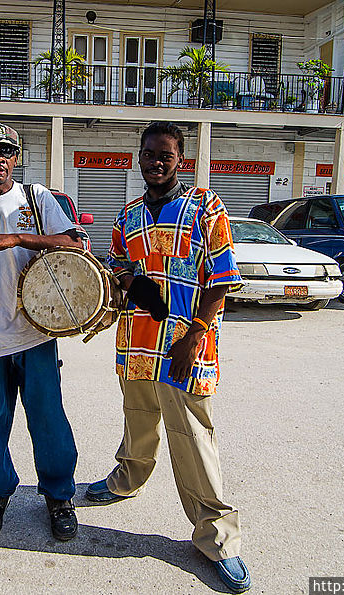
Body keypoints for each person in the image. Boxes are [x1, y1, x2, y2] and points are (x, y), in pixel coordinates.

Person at [85, 121, 251, 593]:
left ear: (181, 159)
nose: (156, 161)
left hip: (185, 348)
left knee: (193, 437)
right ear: (139, 157)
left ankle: (218, 538)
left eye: (166, 155)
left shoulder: (205, 207)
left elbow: (221, 278)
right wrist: (125, 280)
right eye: (149, 154)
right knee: (137, 420)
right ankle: (126, 479)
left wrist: (194, 333)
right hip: (137, 340)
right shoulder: (128, 216)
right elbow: (118, 266)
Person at [0, 123, 83, 541]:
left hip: (37, 331)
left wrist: (18, 237)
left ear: (16, 156)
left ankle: (59, 495)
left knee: (48, 419)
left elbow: (74, 243)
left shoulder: (36, 197)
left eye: (6, 151)